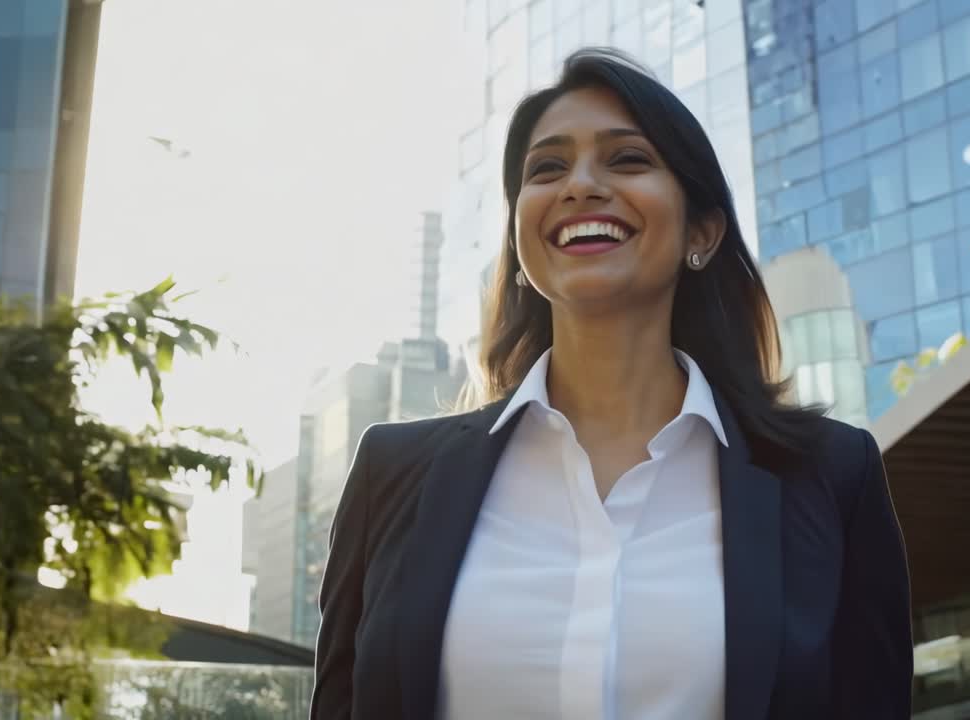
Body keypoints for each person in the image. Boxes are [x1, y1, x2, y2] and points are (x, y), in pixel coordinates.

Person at [311, 49, 912, 720]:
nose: (580, 185)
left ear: (703, 233)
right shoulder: (391, 475)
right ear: (520, 240)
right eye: (548, 167)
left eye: (627, 159)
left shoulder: (831, 478)